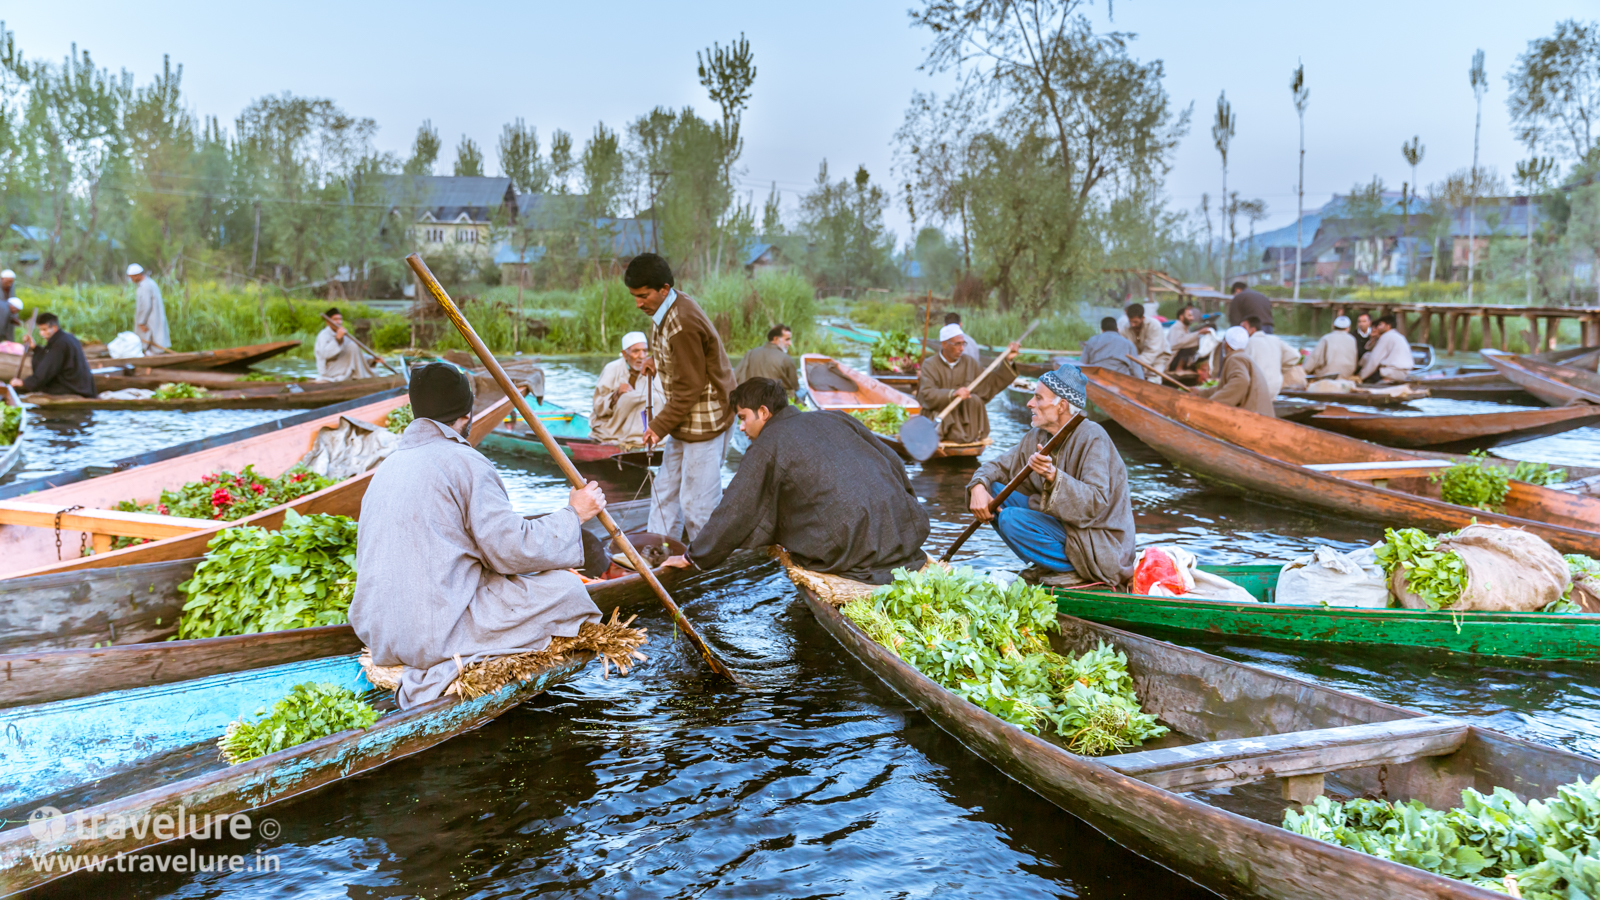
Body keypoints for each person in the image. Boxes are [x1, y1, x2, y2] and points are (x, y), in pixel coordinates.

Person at [349, 363, 608, 709]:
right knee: (568, 590)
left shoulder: (385, 468)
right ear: (467, 414)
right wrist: (574, 514)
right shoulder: (466, 462)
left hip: (378, 633)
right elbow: (511, 549)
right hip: (436, 633)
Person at [663, 377, 930, 584]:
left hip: (849, 550)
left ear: (764, 412)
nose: (741, 428)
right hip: (905, 533)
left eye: (743, 418)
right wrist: (906, 510)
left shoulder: (768, 445)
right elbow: (893, 461)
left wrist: (694, 556)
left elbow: (736, 509)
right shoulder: (834, 416)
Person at [966, 365, 1135, 586]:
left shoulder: (1093, 437)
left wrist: (1053, 476)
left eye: (1038, 398)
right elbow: (998, 466)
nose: (1029, 404)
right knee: (993, 490)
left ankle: (1075, 570)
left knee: (1010, 519)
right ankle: (1048, 564)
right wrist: (978, 486)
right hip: (1062, 525)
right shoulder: (1038, 435)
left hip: (1096, 542)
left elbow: (1095, 503)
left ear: (1062, 405)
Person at [628, 253, 735, 543]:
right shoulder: (663, 308)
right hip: (684, 418)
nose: (638, 303)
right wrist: (656, 360)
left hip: (706, 419)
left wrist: (657, 426)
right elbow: (675, 353)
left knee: (697, 505)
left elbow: (691, 386)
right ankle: (659, 552)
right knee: (665, 491)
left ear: (663, 289)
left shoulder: (683, 321)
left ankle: (706, 567)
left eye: (643, 295)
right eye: (634, 296)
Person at [915, 322, 1018, 444]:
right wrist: (953, 394)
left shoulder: (969, 362)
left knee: (975, 399)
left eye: (963, 344)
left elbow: (989, 384)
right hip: (940, 419)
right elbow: (927, 393)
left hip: (966, 425)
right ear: (944, 344)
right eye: (957, 344)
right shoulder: (929, 365)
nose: (962, 348)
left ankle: (971, 435)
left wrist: (1008, 360)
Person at [590, 331, 666, 445]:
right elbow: (598, 407)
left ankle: (646, 437)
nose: (642, 356)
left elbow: (661, 400)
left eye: (645, 351)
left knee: (655, 398)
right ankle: (634, 439)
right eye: (636, 351)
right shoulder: (612, 369)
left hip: (646, 428)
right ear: (625, 354)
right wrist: (617, 394)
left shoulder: (652, 369)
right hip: (612, 426)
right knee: (627, 397)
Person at [10, 312, 94, 397]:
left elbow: (47, 369)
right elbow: (48, 356)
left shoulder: (60, 343)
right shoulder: (65, 338)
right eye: (40, 330)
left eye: (44, 329)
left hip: (72, 388)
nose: (41, 333)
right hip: (80, 385)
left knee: (39, 388)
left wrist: (24, 383)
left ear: (54, 328)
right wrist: (35, 348)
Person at [1198, 326, 1275, 417]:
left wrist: (1212, 404)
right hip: (1262, 414)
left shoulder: (1235, 358)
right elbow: (1225, 387)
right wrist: (1201, 393)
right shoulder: (1243, 357)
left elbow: (1241, 381)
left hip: (1254, 417)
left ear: (1226, 344)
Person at [314, 308, 376, 382]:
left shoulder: (343, 334)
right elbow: (325, 354)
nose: (339, 322)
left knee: (353, 346)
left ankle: (360, 377)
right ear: (328, 322)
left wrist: (372, 359)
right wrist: (337, 339)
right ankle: (358, 378)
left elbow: (353, 353)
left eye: (340, 319)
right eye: (335, 319)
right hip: (330, 371)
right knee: (352, 346)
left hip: (343, 369)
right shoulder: (323, 335)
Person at [732, 323, 799, 391]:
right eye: (787, 339)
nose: (790, 343)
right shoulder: (786, 359)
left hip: (750, 397)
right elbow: (795, 387)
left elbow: (735, 377)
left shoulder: (750, 353)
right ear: (775, 339)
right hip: (775, 399)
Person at [1241, 316, 1294, 397]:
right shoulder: (1275, 339)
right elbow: (1294, 355)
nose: (1241, 332)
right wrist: (1280, 369)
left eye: (1244, 328)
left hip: (1257, 389)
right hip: (1275, 388)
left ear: (1253, 329)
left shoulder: (1248, 342)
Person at [1356, 314, 1416, 384]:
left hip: (1392, 371)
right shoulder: (1397, 336)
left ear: (1388, 326)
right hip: (1402, 372)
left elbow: (1374, 360)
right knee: (1367, 356)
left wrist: (1360, 377)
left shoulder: (1387, 336)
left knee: (1368, 377)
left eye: (1380, 325)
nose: (1378, 327)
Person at [1078, 317, 1142, 379]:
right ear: (1117, 330)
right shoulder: (1128, 343)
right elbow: (1137, 370)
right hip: (1121, 378)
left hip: (1097, 377)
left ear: (1102, 330)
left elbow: (1083, 364)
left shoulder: (1092, 340)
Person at [1118, 303, 1170, 380]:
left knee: (1154, 382)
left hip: (1158, 358)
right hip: (1137, 361)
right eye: (1130, 321)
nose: (1132, 325)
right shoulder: (1125, 328)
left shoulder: (1154, 325)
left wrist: (1136, 364)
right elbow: (1124, 350)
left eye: (1135, 322)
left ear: (1142, 318)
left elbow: (1153, 351)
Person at [1165, 305, 1218, 379]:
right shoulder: (1176, 327)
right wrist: (1198, 333)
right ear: (1181, 317)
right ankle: (1179, 368)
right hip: (1172, 361)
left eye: (1192, 316)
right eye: (1189, 316)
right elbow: (1176, 344)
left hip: (1179, 359)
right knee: (1190, 346)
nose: (1192, 318)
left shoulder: (1186, 328)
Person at [126, 263, 170, 353]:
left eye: (132, 277)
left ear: (137, 275)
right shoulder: (149, 283)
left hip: (150, 319)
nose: (131, 279)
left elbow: (145, 305)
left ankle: (153, 360)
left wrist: (141, 322)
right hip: (153, 317)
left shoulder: (145, 286)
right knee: (153, 340)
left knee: (152, 339)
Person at [1, 269, 20, 344]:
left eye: (11, 282)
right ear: (2, 279)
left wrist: (14, 315)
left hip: (8, 314)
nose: (9, 284)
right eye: (7, 282)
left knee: (9, 330)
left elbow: (13, 300)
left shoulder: (11, 286)